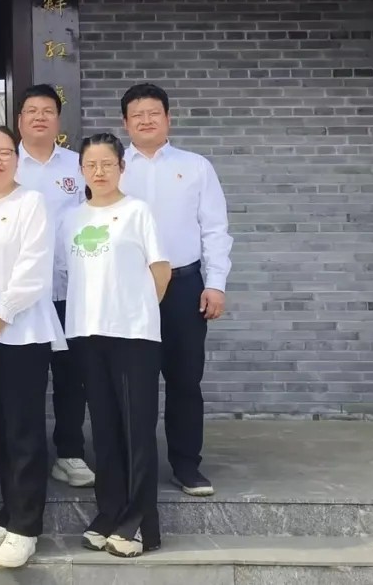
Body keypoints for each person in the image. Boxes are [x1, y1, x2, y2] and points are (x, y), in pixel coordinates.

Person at [118, 83, 233, 498]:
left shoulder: (195, 166)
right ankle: (135, 467)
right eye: (137, 115)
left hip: (184, 286)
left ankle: (186, 465)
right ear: (125, 123)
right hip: (129, 289)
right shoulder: (114, 167)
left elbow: (215, 229)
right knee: (134, 382)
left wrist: (215, 284)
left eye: (154, 113)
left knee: (185, 380)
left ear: (168, 118)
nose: (146, 120)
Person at [63, 132, 170, 557]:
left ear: (122, 167)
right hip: (87, 335)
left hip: (132, 335)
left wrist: (136, 310)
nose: (99, 171)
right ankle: (109, 513)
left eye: (107, 163)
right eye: (91, 165)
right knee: (104, 431)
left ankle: (140, 525)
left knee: (136, 431)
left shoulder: (137, 211)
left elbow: (160, 271)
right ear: (81, 171)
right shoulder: (71, 219)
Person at [0, 125, 60, 569]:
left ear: (16, 160)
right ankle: (9, 511)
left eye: (4, 152)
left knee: (23, 430)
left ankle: (26, 527)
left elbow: (34, 268)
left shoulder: (31, 202)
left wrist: (0, 315)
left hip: (22, 332)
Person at [14, 85, 95, 489]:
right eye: (31, 111)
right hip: (22, 294)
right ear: (19, 120)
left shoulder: (78, 166)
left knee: (71, 376)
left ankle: (69, 452)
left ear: (58, 120)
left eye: (47, 111)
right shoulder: (7, 165)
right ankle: (24, 455)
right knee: (25, 379)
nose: (39, 117)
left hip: (70, 288)